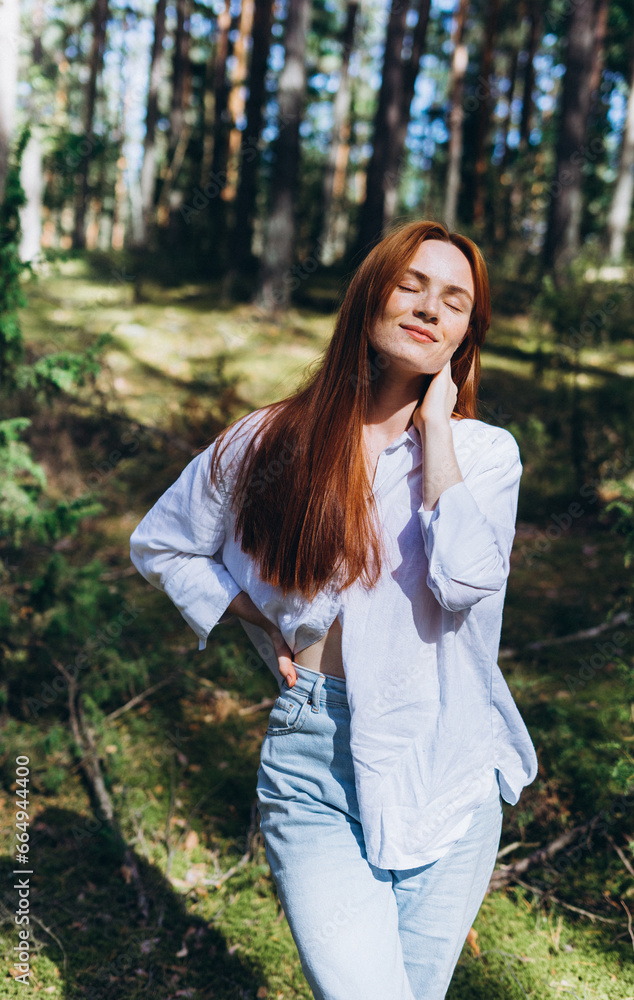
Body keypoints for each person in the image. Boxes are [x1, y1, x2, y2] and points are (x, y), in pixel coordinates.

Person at [129, 219, 538, 1000]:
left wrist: (434, 436)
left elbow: (462, 580)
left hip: (448, 762)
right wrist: (257, 616)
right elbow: (163, 545)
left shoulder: (484, 456)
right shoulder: (267, 441)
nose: (428, 309)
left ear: (464, 335)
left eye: (453, 302)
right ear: (369, 296)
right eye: (410, 285)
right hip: (314, 755)